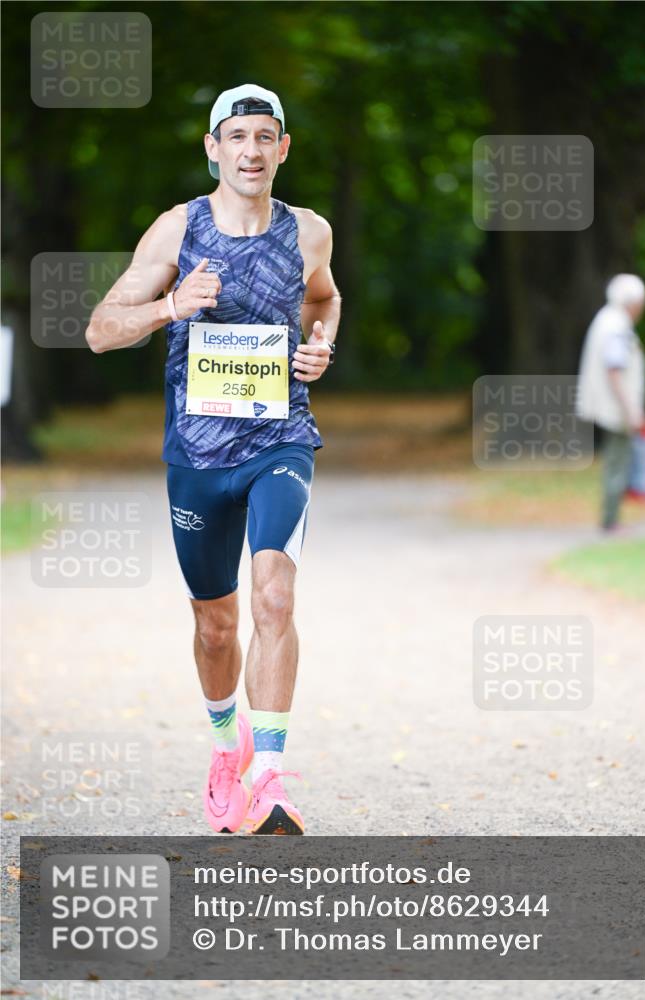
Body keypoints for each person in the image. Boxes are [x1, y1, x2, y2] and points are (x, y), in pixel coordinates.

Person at [85, 84, 341, 835]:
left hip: (279, 440)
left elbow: (324, 299)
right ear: (213, 148)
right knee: (215, 626)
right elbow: (100, 330)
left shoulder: (309, 232)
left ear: (282, 148)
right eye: (236, 137)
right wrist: (172, 306)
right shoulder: (179, 229)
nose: (250, 151)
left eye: (264, 137)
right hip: (198, 454)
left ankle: (271, 777)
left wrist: (320, 345)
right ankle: (228, 750)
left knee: (274, 597)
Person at [576, 274, 645, 531]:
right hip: (616, 408)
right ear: (633, 302)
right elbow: (614, 370)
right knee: (617, 461)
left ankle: (611, 518)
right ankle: (610, 521)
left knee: (615, 460)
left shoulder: (606, 319)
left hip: (610, 405)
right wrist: (632, 410)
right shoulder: (617, 326)